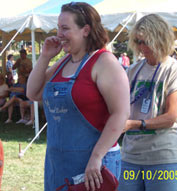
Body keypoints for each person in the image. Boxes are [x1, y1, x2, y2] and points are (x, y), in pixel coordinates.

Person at [26, 2, 130, 191]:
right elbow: (33, 93)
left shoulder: (104, 62)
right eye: (58, 28)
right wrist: (45, 57)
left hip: (94, 166)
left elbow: (120, 113)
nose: (59, 34)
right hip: (58, 163)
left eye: (65, 28)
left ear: (86, 30)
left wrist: (97, 156)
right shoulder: (64, 62)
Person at [119, 14, 177, 191]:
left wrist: (134, 124)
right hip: (131, 157)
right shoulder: (134, 69)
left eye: (146, 42)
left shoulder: (176, 70)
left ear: (160, 39)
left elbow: (170, 117)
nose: (142, 47)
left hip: (164, 158)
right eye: (138, 41)